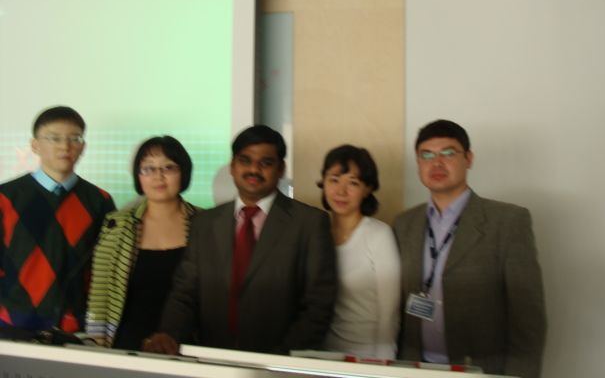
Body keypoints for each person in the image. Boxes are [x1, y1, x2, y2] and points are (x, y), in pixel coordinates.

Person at [143, 124, 337, 355]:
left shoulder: (309, 223)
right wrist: (168, 334)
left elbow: (319, 304)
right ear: (233, 166)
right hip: (212, 360)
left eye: (266, 163)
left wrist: (281, 359)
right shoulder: (205, 223)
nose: (254, 169)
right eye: (245, 160)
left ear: (281, 169)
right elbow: (185, 293)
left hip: (280, 363)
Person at [394, 119, 546, 378]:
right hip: (416, 368)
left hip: (481, 369)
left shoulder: (507, 221)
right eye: (427, 155)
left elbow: (528, 318)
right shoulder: (404, 224)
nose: (436, 163)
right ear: (418, 163)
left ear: (469, 159)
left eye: (448, 153)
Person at [0, 106, 115, 333]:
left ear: (83, 146)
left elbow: (104, 270)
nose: (65, 146)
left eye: (74, 138)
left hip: (75, 329)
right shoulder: (6, 198)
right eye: (54, 138)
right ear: (35, 145)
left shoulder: (99, 201)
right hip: (10, 324)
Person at [86, 136, 198, 349]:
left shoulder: (204, 223)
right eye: (148, 169)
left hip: (190, 346)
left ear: (183, 172)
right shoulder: (117, 225)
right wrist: (96, 346)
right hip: (127, 347)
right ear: (138, 176)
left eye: (168, 167)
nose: (158, 176)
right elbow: (100, 295)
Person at [318, 145, 400, 359]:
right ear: (323, 182)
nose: (341, 191)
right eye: (334, 180)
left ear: (367, 189)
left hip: (366, 356)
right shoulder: (316, 233)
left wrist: (382, 361)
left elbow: (389, 311)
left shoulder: (379, 235)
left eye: (353, 183)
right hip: (321, 354)